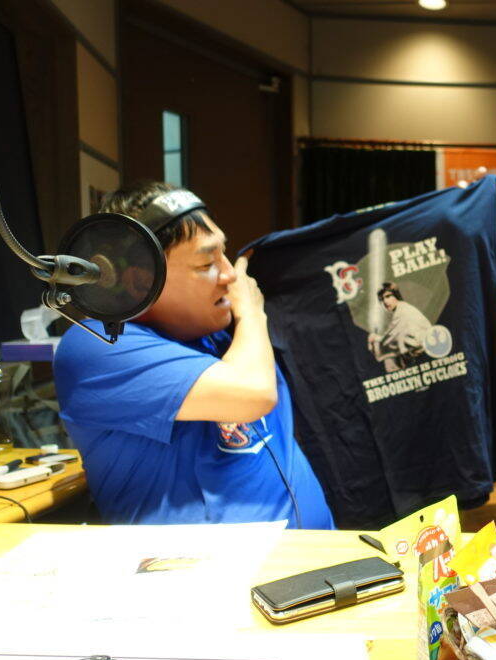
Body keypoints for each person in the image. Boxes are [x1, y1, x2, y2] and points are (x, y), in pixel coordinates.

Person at [54, 181, 335, 529]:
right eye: (206, 264)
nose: (230, 275)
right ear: (140, 283)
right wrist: (251, 313)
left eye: (224, 253)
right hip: (210, 564)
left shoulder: (216, 332)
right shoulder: (98, 345)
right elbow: (252, 394)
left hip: (320, 555)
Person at [367, 281, 433, 371]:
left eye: (388, 296)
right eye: (382, 299)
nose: (385, 301)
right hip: (420, 352)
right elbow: (393, 335)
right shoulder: (401, 309)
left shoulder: (403, 311)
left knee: (391, 361)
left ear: (396, 295)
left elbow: (392, 339)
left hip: (424, 353)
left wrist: (375, 339)